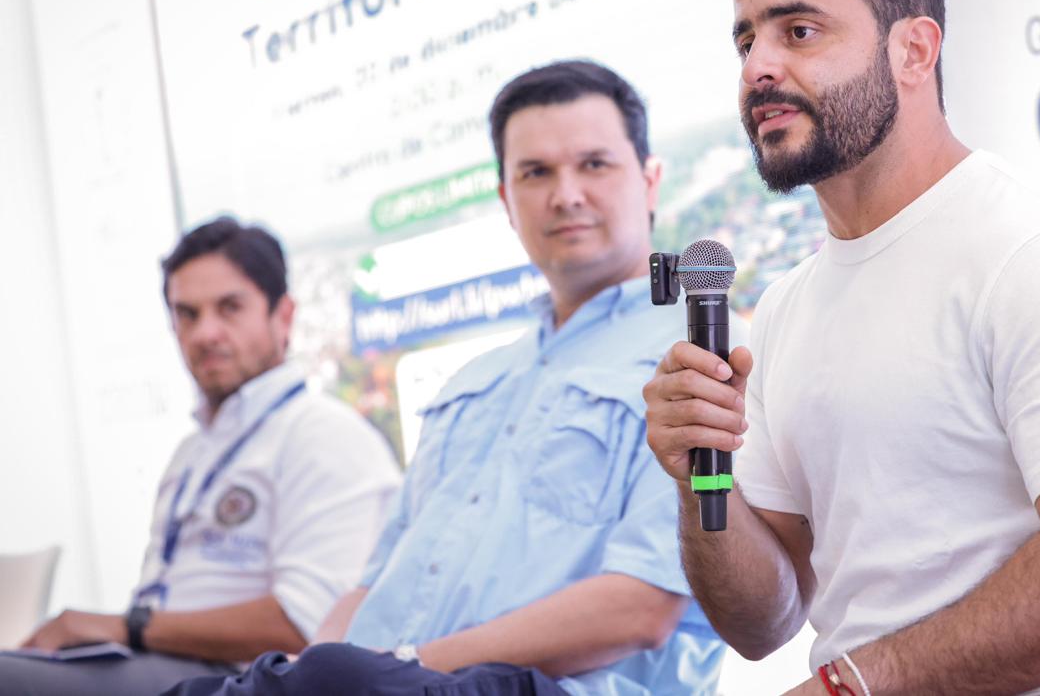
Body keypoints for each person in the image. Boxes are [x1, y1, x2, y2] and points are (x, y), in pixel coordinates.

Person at [643, 0, 1040, 696]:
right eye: (746, 40)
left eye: (798, 31)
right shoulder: (791, 305)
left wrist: (851, 684)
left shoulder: (1036, 256)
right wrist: (702, 478)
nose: (758, 66)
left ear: (913, 49)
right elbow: (762, 623)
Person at [166, 60, 726, 696]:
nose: (565, 193)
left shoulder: (693, 359)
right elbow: (371, 584)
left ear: (650, 182)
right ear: (505, 202)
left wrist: (403, 667)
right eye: (535, 172)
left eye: (594, 164)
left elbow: (644, 608)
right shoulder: (477, 380)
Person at [0, 218, 402, 696]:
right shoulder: (192, 453)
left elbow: (308, 626)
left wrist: (127, 627)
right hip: (156, 664)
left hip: (241, 679)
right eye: (187, 314)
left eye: (229, 307)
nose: (205, 333)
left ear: (284, 316)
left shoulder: (325, 435)